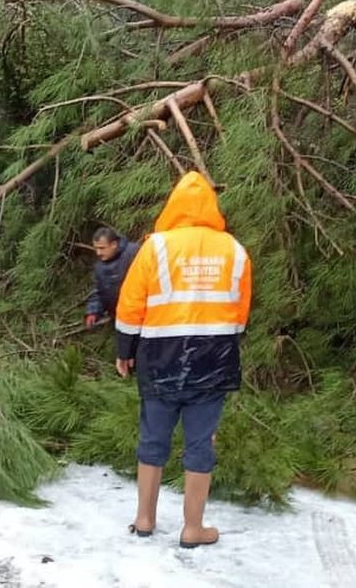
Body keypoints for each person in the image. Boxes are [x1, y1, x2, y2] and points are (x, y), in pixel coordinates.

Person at [113, 171, 252, 549]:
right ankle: (193, 529)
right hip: (214, 357)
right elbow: (240, 315)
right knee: (200, 444)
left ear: (173, 204)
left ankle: (144, 519)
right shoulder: (234, 250)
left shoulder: (155, 247)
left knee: (153, 436)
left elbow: (130, 305)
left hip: (160, 355)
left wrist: (125, 351)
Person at [85, 226, 140, 328]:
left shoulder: (134, 253)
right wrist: (93, 311)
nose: (98, 253)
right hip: (119, 319)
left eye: (102, 248)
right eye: (96, 248)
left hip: (140, 315)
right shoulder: (99, 267)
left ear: (114, 244)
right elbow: (98, 291)